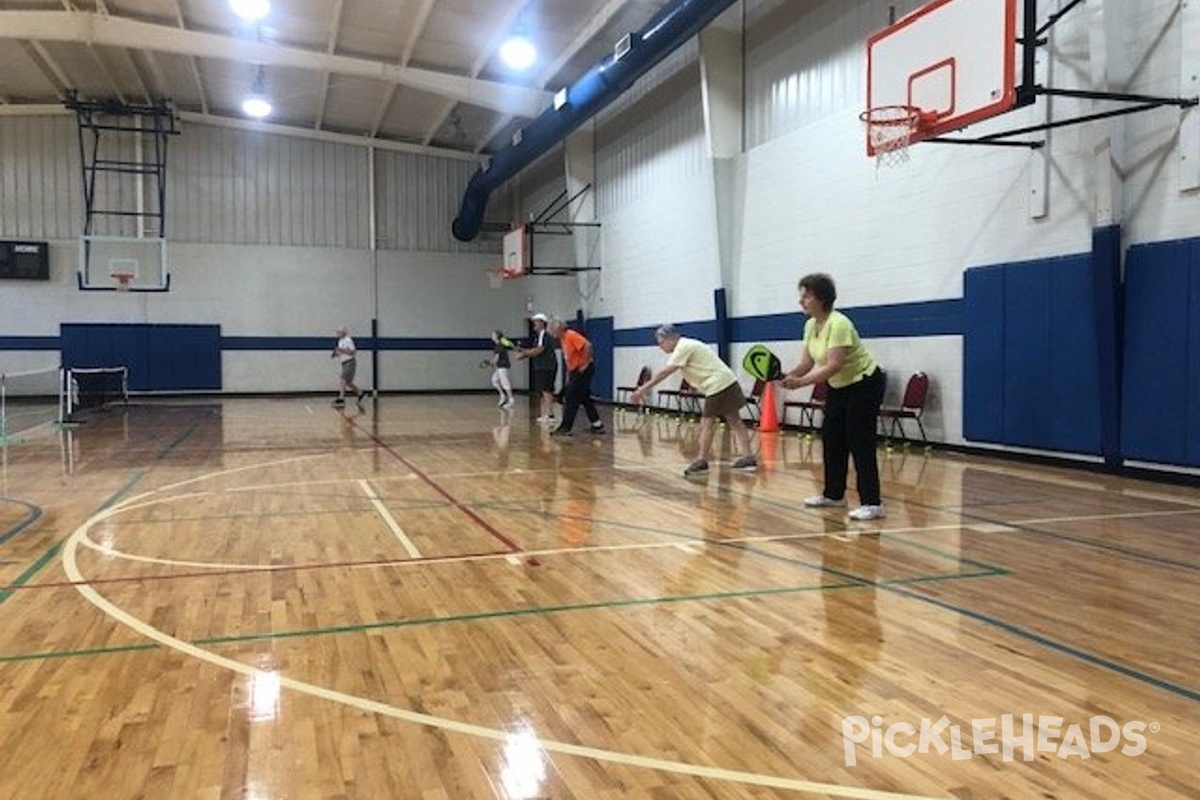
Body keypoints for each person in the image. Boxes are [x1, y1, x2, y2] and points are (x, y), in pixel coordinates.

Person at [780, 272, 887, 521]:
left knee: (860, 442)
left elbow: (833, 365)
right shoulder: (810, 325)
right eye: (801, 296)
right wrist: (788, 376)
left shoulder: (839, 323)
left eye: (806, 296)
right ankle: (834, 495)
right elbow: (807, 362)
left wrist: (801, 383)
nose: (801, 301)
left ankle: (873, 503)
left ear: (821, 298)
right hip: (839, 387)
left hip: (864, 384)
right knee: (832, 439)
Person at [630, 324, 757, 476]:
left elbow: (665, 372)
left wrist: (641, 390)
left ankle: (702, 461)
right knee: (734, 420)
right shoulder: (686, 345)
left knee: (707, 423)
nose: (661, 347)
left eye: (661, 343)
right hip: (727, 381)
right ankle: (748, 457)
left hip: (718, 384)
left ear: (670, 338)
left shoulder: (683, 347)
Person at [547, 317, 605, 436]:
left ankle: (565, 428)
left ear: (558, 329)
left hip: (583, 370)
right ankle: (597, 425)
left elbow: (588, 345)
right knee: (584, 398)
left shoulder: (570, 335)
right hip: (575, 371)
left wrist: (585, 363)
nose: (551, 333)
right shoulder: (563, 339)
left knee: (571, 398)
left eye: (552, 330)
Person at [515, 313, 559, 424]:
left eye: (536, 321)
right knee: (545, 390)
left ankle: (550, 415)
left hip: (546, 366)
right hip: (542, 366)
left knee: (547, 390)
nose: (533, 323)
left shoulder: (543, 335)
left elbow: (539, 350)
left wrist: (524, 353)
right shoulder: (538, 336)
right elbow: (535, 351)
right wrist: (525, 355)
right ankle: (549, 414)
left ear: (541, 323)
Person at [331, 326, 366, 407]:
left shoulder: (348, 340)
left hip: (349, 362)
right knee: (348, 382)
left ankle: (341, 399)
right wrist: (335, 354)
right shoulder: (340, 341)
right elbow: (340, 351)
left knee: (342, 378)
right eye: (337, 332)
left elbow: (353, 352)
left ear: (344, 332)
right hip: (344, 362)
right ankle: (360, 393)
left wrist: (342, 350)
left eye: (339, 332)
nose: (338, 333)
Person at [488, 330, 516, 408]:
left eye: (493, 334)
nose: (491, 336)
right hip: (499, 367)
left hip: (502, 367)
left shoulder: (499, 345)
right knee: (494, 380)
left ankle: (511, 400)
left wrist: (491, 363)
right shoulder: (498, 345)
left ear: (497, 336)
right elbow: (495, 358)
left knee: (505, 382)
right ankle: (503, 396)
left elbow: (496, 358)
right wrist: (491, 362)